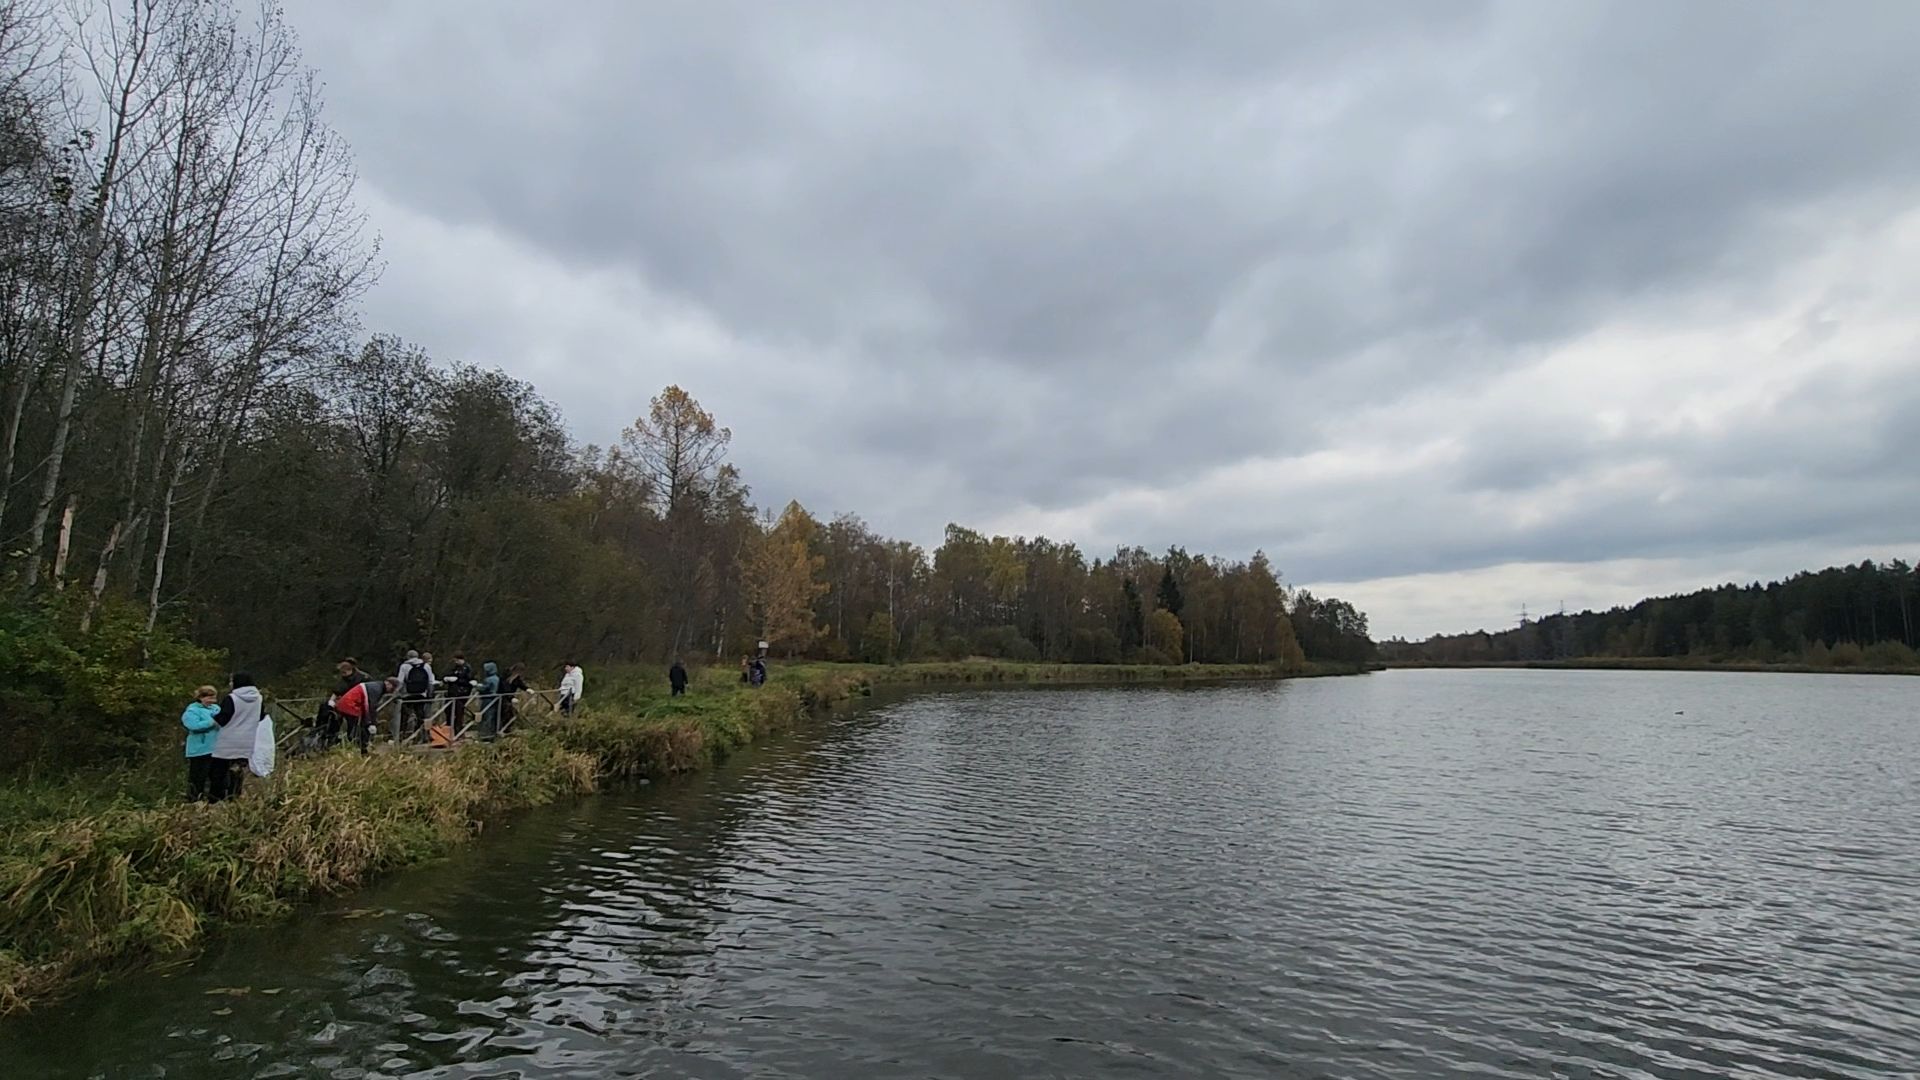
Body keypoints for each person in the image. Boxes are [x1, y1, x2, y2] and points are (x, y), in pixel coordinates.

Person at [209, 673, 265, 802]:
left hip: (228, 740)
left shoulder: (232, 698)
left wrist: (213, 716)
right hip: (247, 739)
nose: (230, 684)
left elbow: (223, 718)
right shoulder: (259, 698)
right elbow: (261, 716)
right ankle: (234, 796)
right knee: (238, 770)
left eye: (231, 681)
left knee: (219, 771)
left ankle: (215, 798)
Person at [335, 676, 396, 754]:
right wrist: (370, 723)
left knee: (356, 728)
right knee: (357, 730)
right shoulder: (376, 689)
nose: (392, 691)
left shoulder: (376, 686)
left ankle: (357, 748)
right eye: (393, 688)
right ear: (389, 684)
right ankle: (358, 749)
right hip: (351, 706)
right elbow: (370, 706)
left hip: (349, 705)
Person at [182, 685, 220, 801]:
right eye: (209, 698)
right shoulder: (192, 711)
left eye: (214, 698)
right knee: (197, 778)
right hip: (199, 749)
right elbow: (192, 725)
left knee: (215, 777)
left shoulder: (217, 709)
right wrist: (211, 722)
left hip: (215, 749)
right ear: (201, 697)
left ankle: (212, 801)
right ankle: (193, 800)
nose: (212, 701)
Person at [397, 650, 435, 736]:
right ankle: (420, 735)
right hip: (422, 694)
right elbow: (430, 681)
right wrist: (430, 694)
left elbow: (400, 681)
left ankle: (401, 735)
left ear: (407, 657)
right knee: (421, 715)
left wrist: (397, 693)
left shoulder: (404, 666)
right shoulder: (426, 666)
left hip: (408, 694)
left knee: (405, 715)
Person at [445, 654, 475, 732]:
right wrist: (447, 679)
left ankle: (458, 731)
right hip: (453, 693)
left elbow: (468, 681)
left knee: (459, 713)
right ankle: (450, 730)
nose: (455, 662)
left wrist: (457, 680)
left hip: (461, 694)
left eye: (456, 660)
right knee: (449, 712)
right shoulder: (455, 668)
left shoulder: (467, 668)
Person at [500, 664, 529, 733]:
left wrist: (527, 689)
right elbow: (504, 688)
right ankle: (502, 729)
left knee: (511, 713)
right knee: (505, 713)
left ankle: (507, 729)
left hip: (509, 697)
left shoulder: (516, 678)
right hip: (502, 697)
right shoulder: (506, 676)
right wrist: (511, 698)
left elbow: (520, 684)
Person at [477, 661, 503, 740]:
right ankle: (492, 733)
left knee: (486, 716)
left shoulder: (489, 679)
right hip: (495, 699)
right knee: (492, 716)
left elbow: (485, 688)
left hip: (488, 699)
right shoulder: (497, 678)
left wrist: (477, 686)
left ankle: (485, 734)